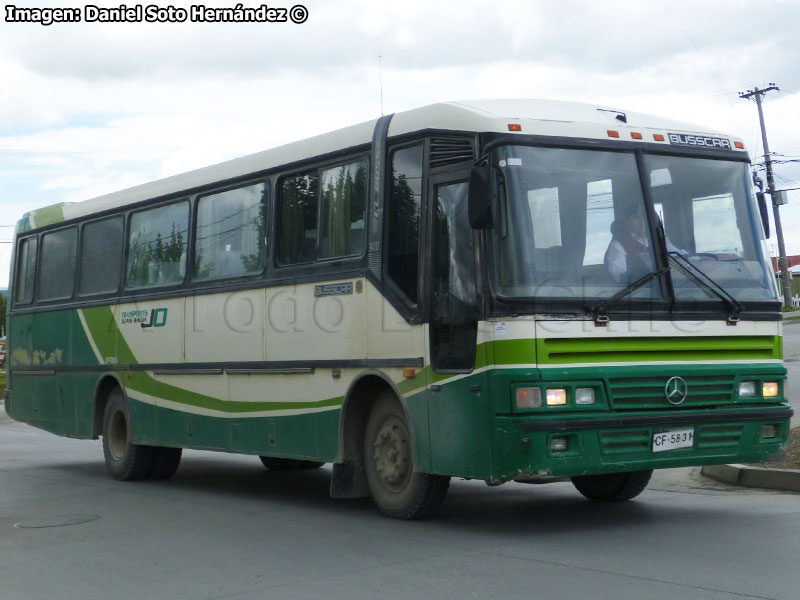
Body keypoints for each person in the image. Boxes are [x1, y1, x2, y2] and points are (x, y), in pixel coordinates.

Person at [604, 212, 652, 284]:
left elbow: (674, 257)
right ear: (627, 222)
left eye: (643, 217)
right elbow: (618, 271)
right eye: (636, 218)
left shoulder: (658, 240)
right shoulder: (618, 244)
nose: (641, 222)